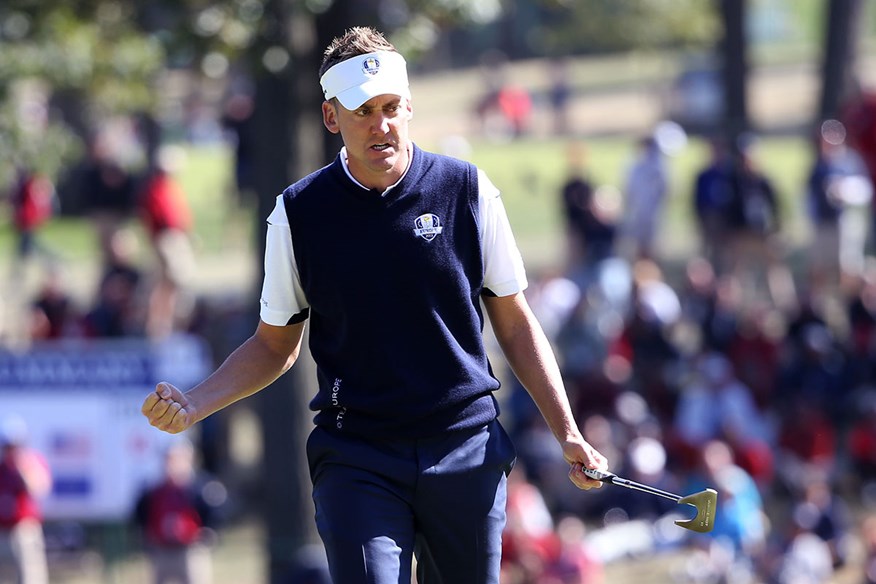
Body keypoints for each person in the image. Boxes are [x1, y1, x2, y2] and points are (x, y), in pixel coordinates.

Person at [141, 26, 609, 584]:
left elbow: (513, 319)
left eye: (391, 108)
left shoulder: (467, 190)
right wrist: (195, 404)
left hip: (464, 445)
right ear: (331, 117)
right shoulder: (299, 213)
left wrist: (567, 431)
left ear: (409, 105)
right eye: (362, 111)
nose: (381, 125)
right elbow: (274, 345)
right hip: (357, 454)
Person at [134, 439, 226, 584]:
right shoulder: (156, 491)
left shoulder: (199, 488)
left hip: (190, 550)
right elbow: (141, 514)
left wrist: (208, 532)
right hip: (162, 549)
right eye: (169, 459)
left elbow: (215, 512)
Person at [0, 416, 52, 584]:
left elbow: (39, 488)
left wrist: (22, 467)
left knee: (30, 577)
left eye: (15, 445)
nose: (11, 450)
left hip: (25, 530)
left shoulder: (31, 462)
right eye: (8, 446)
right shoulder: (2, 467)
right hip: (2, 531)